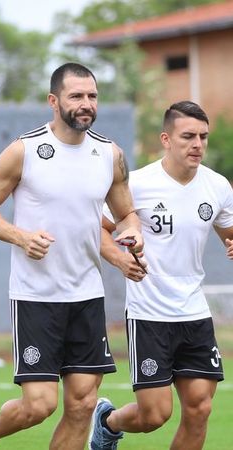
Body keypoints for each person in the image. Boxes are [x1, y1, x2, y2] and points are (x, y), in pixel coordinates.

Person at [0, 62, 143, 450]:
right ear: (53, 101)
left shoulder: (109, 154)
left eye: (92, 96)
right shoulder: (24, 151)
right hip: (36, 297)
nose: (86, 104)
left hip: (87, 296)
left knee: (83, 403)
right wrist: (21, 237)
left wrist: (132, 233)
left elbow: (126, 213)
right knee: (39, 405)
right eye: (76, 96)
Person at [89, 101, 233, 450]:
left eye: (203, 137)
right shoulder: (137, 184)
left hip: (194, 313)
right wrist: (121, 261)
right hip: (149, 314)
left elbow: (229, 233)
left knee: (199, 408)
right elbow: (97, 228)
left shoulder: (218, 187)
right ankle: (107, 422)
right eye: (188, 136)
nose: (197, 144)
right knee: (154, 415)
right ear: (166, 139)